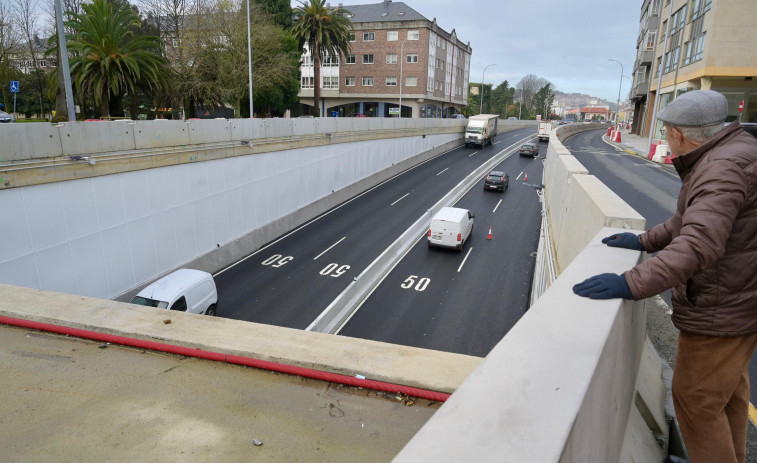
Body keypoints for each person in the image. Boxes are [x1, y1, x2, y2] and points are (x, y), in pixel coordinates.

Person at [572, 90, 757, 463]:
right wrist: (643, 240)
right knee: (729, 397)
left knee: (696, 402)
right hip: (742, 298)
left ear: (679, 134)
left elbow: (699, 242)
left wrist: (631, 283)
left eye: (667, 132)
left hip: (721, 308)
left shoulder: (721, 169)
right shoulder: (737, 150)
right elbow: (688, 219)